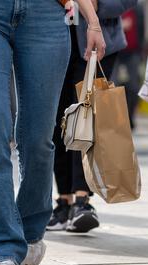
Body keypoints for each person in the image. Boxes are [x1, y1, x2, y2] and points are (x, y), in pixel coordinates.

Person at [0, 0, 105, 265]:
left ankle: (30, 228)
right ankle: (1, 248)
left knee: (38, 139)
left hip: (46, 14)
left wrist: (92, 20)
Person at [50, 0, 138, 234]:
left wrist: (97, 6)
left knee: (87, 118)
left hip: (97, 41)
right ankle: (64, 200)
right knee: (56, 120)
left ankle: (82, 200)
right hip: (49, 40)